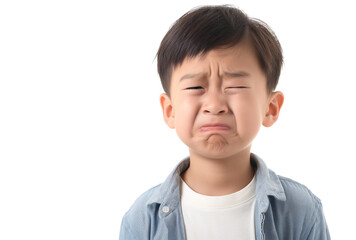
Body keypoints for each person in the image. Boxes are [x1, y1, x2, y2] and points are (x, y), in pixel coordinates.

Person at [119, 5, 330, 240]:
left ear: (271, 108)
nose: (214, 104)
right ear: (170, 110)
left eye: (235, 87)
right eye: (195, 87)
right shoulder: (143, 219)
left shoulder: (301, 210)